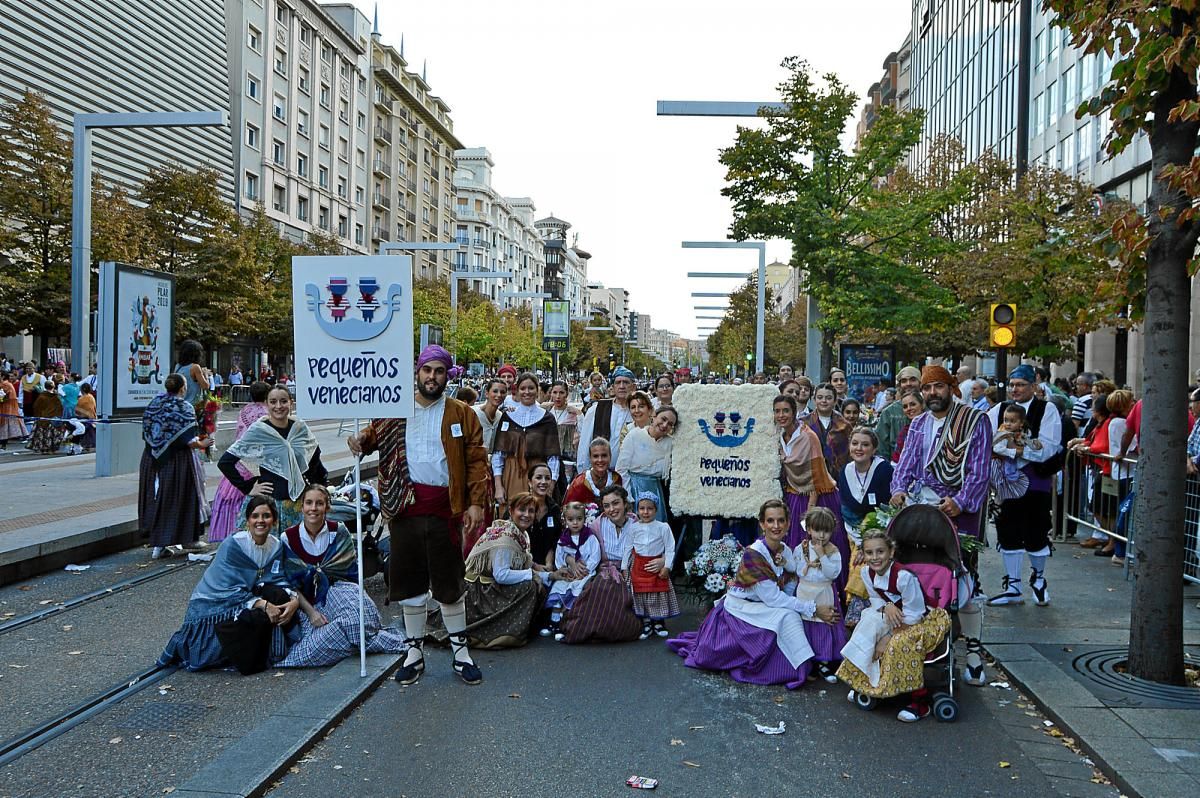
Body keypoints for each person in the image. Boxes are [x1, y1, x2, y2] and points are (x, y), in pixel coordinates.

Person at [348, 344, 489, 686]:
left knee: (449, 582)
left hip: (445, 509)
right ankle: (413, 652)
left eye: (439, 371)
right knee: (409, 582)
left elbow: (475, 461)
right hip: (404, 508)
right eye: (427, 370)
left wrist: (474, 503)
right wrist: (359, 440)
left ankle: (460, 652)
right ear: (418, 372)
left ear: (447, 376)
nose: (432, 377)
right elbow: (371, 437)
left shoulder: (461, 413)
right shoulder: (395, 410)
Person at [890, 364, 991, 686]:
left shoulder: (975, 421)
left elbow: (979, 471)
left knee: (964, 580)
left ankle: (973, 653)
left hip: (958, 512)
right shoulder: (918, 423)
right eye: (927, 388)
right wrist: (898, 490)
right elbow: (906, 463)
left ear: (951, 387)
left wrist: (960, 502)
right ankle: (922, 645)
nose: (932, 394)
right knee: (919, 576)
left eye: (938, 387)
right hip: (920, 512)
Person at [667, 499, 838, 689]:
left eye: (781, 520)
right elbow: (773, 598)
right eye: (770, 521)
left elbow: (791, 584)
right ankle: (794, 668)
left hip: (762, 604)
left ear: (788, 523)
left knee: (791, 613)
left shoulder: (786, 551)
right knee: (788, 616)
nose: (776, 526)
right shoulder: (754, 554)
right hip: (743, 606)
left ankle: (807, 661)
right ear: (762, 524)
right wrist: (813, 609)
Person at [159, 497, 299, 672]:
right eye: (255, 516)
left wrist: (294, 600)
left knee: (279, 596)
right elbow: (225, 587)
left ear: (274, 520)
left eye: (266, 516)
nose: (260, 521)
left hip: (248, 595)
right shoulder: (233, 544)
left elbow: (277, 578)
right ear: (247, 521)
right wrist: (263, 604)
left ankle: (272, 651)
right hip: (215, 602)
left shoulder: (276, 546)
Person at [275, 484, 405, 667]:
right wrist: (312, 613)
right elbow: (290, 583)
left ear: (327, 507)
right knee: (314, 644)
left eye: (319, 503)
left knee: (355, 621)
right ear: (302, 506)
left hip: (339, 591)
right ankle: (352, 642)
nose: (313, 508)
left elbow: (350, 573)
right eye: (309, 503)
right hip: (307, 601)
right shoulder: (288, 538)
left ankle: (353, 638)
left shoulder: (338, 531)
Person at [837, 528, 952, 723]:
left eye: (880, 552)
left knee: (901, 643)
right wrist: (887, 606)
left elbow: (914, 615)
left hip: (921, 619)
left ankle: (919, 700)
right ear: (863, 554)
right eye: (869, 553)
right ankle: (866, 680)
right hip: (893, 613)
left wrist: (887, 637)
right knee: (867, 624)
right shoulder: (866, 572)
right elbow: (875, 600)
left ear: (891, 552)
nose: (875, 557)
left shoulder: (904, 577)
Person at [985, 364, 1062, 608]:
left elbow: (1049, 446)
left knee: (1036, 532)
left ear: (1033, 386)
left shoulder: (1046, 409)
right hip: (1007, 484)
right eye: (1012, 385)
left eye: (1020, 385)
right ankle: (1013, 586)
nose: (1015, 389)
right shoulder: (998, 410)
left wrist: (1015, 451)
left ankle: (1039, 580)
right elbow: (987, 440)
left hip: (1036, 482)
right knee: (1008, 531)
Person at [433, 508, 549, 649]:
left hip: (489, 585)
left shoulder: (520, 535)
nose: (526, 515)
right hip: (479, 592)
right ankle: (502, 632)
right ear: (511, 511)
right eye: (522, 510)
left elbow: (520, 568)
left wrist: (549, 575)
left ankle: (514, 629)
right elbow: (501, 575)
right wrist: (532, 574)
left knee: (533, 583)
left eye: (531, 511)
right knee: (529, 586)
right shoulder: (505, 537)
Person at [219, 384, 326, 533]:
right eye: (273, 402)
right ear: (267, 404)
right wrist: (248, 487)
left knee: (297, 552)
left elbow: (315, 462)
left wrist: (321, 490)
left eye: (283, 401)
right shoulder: (259, 430)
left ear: (291, 403)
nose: (278, 406)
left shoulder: (300, 428)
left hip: (299, 505)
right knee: (266, 552)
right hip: (269, 505)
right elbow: (225, 463)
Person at [775, 394, 848, 594]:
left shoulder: (808, 436)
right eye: (777, 411)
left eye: (786, 411)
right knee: (794, 548)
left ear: (794, 412)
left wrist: (809, 515)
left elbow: (816, 477)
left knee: (816, 542)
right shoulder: (778, 436)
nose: (782, 415)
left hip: (816, 498)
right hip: (793, 496)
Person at [139, 373, 213, 559]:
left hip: (151, 458)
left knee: (155, 497)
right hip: (178, 459)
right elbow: (189, 440)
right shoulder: (183, 407)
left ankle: (159, 540)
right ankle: (182, 538)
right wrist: (204, 444)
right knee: (181, 497)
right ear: (182, 388)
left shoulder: (154, 403)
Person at [559, 484, 643, 643]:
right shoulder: (597, 524)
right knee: (600, 590)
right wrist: (571, 561)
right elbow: (578, 546)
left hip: (630, 572)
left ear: (625, 503)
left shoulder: (636, 524)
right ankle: (584, 629)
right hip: (605, 570)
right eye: (607, 505)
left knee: (616, 595)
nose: (612, 509)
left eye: (616, 503)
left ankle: (614, 628)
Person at [836, 427, 894, 628]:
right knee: (854, 560)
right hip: (852, 531)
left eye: (865, 444)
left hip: (882, 532)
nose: (859, 448)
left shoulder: (884, 470)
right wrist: (859, 541)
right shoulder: (845, 471)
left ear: (874, 448)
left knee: (867, 557)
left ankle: (860, 608)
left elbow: (889, 509)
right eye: (855, 443)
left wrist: (866, 543)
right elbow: (846, 509)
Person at [209, 381, 271, 543]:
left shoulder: (244, 410)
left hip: (238, 461)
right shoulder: (268, 413)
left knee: (230, 499)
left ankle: (228, 537)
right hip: (258, 465)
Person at [491, 372, 560, 509]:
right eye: (523, 388)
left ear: (537, 389)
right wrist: (498, 486)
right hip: (511, 474)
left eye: (531, 388)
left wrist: (551, 484)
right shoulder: (508, 416)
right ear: (517, 390)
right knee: (512, 514)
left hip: (538, 475)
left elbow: (553, 456)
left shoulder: (547, 419)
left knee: (536, 513)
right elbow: (498, 454)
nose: (527, 392)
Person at [795, 507, 847, 682]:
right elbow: (795, 568)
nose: (822, 535)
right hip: (804, 590)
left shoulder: (833, 551)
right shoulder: (801, 548)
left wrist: (822, 556)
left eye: (826, 531)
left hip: (823, 590)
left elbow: (833, 573)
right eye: (817, 530)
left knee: (823, 626)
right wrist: (785, 562)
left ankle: (824, 662)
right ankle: (810, 662)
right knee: (807, 626)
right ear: (809, 529)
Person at [623, 492, 680, 639]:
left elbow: (669, 548)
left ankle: (659, 622)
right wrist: (624, 567)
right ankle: (646, 622)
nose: (645, 512)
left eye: (650, 508)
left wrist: (667, 566)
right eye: (642, 508)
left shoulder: (663, 527)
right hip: (639, 566)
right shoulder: (633, 528)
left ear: (656, 510)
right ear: (637, 510)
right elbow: (628, 548)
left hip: (656, 565)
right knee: (641, 594)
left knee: (657, 593)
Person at [541, 501, 600, 640]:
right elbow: (559, 557)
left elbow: (595, 556)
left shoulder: (590, 537)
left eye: (579, 519)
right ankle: (553, 621)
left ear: (584, 519)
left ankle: (564, 623)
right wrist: (565, 568)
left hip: (584, 574)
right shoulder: (563, 539)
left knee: (576, 592)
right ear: (565, 520)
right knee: (559, 589)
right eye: (571, 520)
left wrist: (585, 570)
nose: (575, 523)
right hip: (569, 573)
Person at [615, 406, 677, 523]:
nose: (664, 425)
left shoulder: (671, 443)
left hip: (656, 490)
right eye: (663, 419)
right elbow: (621, 469)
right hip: (634, 489)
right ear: (654, 416)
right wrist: (628, 498)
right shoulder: (635, 435)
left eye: (669, 424)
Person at [576, 366, 635, 470]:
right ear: (612, 386)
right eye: (618, 382)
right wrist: (583, 472)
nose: (622, 386)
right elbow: (585, 445)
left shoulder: (638, 411)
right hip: (599, 474)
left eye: (626, 382)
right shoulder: (597, 408)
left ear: (633, 386)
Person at [805, 382, 852, 475]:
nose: (824, 401)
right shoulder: (804, 424)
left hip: (838, 475)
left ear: (835, 401)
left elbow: (849, 453)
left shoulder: (844, 425)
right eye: (820, 397)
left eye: (829, 398)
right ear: (814, 400)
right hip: (811, 476)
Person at [876, 366, 920, 461]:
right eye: (904, 381)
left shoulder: (930, 409)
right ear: (900, 385)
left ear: (920, 382)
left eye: (913, 379)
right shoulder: (889, 412)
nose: (908, 384)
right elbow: (881, 447)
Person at [563, 437, 622, 505]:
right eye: (596, 456)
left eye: (604, 455)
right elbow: (567, 510)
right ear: (590, 458)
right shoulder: (579, 483)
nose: (600, 460)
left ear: (610, 457)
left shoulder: (616, 479)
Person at [525, 462, 561, 569]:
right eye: (539, 478)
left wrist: (549, 565)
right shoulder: (519, 507)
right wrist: (534, 566)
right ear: (530, 482)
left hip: (548, 566)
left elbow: (554, 541)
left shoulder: (554, 509)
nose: (543, 482)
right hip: (523, 564)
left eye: (547, 478)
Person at [544, 380, 580, 485]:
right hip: (547, 457)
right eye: (555, 392)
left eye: (561, 393)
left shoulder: (574, 413)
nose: (558, 396)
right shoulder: (545, 411)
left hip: (567, 459)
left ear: (567, 394)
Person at [890, 391, 926, 464]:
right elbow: (897, 457)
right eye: (905, 406)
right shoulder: (905, 430)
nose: (909, 409)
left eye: (912, 404)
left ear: (922, 405)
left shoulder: (930, 426)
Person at [175, 339, 210, 410]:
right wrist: (205, 374)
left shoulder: (178, 366)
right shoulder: (195, 367)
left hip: (180, 404)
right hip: (193, 406)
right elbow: (205, 386)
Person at [0, 369, 28, 449]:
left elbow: (5, 397)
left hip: (7, 407)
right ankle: (3, 444)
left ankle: (3, 444)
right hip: (7, 407)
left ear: (3, 376)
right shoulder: (5, 384)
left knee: (5, 425)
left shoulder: (5, 384)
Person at [75, 382, 97, 451]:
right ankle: (91, 446)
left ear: (82, 390)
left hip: (84, 418)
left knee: (85, 433)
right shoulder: (91, 397)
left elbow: (77, 409)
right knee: (91, 433)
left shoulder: (81, 399)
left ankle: (86, 446)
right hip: (92, 417)